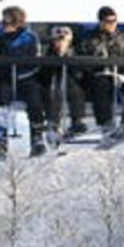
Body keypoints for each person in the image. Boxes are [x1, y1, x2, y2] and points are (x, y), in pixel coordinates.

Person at [79, 5, 124, 138]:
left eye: (114, 21)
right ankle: (106, 122)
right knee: (101, 84)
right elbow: (85, 59)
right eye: (108, 22)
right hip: (100, 75)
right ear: (101, 22)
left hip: (121, 74)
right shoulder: (91, 39)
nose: (112, 25)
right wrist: (98, 66)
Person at [0, 6, 40, 152]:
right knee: (1, 96)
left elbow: (34, 56)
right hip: (6, 77)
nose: (4, 25)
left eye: (7, 22)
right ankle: (0, 137)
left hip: (25, 75)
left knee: (34, 98)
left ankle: (36, 135)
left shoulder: (29, 37)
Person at [25, 25, 74, 155]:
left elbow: (77, 72)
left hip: (71, 87)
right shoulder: (46, 53)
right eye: (57, 40)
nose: (60, 43)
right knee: (44, 90)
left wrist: (64, 54)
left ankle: (56, 127)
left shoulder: (74, 52)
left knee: (61, 86)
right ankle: (41, 132)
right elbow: (42, 73)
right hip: (47, 88)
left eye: (63, 40)